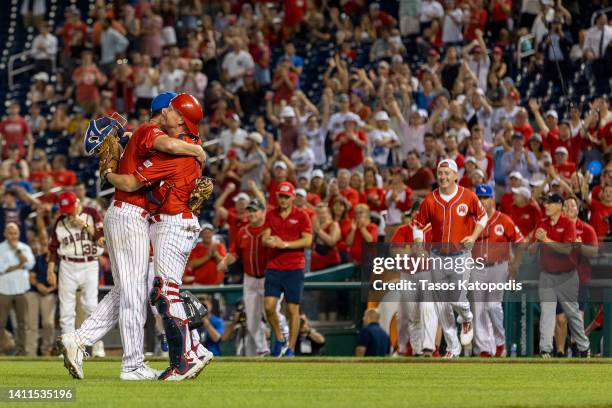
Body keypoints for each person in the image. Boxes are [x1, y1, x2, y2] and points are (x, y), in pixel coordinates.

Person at [58, 93, 206, 381]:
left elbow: (143, 145)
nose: (172, 114)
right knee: (134, 295)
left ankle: (77, 339)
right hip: (129, 215)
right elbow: (159, 150)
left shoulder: (141, 133)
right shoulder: (151, 131)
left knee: (126, 290)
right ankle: (132, 365)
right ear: (162, 112)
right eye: (171, 109)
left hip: (130, 216)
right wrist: (198, 152)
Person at [103, 93, 213, 380]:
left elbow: (130, 181)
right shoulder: (189, 146)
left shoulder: (174, 154)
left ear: (182, 120)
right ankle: (196, 348)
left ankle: (186, 359)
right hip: (178, 222)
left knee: (166, 292)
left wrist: (108, 174)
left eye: (174, 110)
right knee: (166, 290)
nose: (168, 111)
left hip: (173, 223)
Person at [412, 159, 488, 358]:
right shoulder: (430, 199)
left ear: (455, 175)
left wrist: (472, 236)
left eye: (447, 173)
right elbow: (417, 224)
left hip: (460, 255)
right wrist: (419, 245)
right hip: (438, 256)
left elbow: (483, 217)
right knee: (442, 304)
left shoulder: (468, 196)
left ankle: (467, 317)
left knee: (456, 298)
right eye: (440, 173)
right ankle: (452, 347)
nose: (443, 177)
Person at [219, 198, 288, 356]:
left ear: (263, 212)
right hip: (249, 279)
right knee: (252, 319)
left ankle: (284, 340)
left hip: (269, 277)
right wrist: (224, 261)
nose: (251, 213)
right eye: (249, 210)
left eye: (255, 210)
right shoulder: (243, 231)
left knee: (272, 312)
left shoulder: (271, 227)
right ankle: (263, 350)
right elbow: (235, 252)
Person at [529, 193, 590, 358]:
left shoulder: (568, 223)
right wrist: (537, 241)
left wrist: (546, 239)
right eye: (545, 203)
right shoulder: (541, 223)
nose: (546, 206)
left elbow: (566, 249)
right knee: (547, 312)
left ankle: (584, 347)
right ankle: (545, 349)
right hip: (547, 275)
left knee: (572, 313)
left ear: (559, 206)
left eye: (550, 203)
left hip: (567, 275)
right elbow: (531, 250)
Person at [47, 191, 105, 358]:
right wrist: (51, 269)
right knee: (66, 310)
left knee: (91, 306)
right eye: (64, 209)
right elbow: (53, 248)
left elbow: (101, 239)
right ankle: (68, 348)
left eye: (70, 207)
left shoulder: (91, 213)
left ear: (78, 203)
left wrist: (83, 224)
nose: (67, 212)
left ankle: (97, 346)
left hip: (89, 264)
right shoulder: (60, 220)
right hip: (67, 264)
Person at [471, 184, 525, 357]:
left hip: (498, 267)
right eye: (479, 198)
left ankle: (500, 342)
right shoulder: (470, 221)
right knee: (478, 308)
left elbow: (520, 242)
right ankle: (485, 348)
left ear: (492, 199)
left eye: (485, 198)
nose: (482, 201)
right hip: (477, 267)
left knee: (493, 306)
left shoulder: (503, 219)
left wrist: (515, 264)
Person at [262, 182, 313, 357]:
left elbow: (307, 241)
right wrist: (269, 241)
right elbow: (265, 238)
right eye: (281, 196)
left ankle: (291, 347)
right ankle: (279, 337)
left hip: (294, 267)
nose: (283, 199)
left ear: (292, 197)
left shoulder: (302, 216)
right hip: (274, 266)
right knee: (269, 307)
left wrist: (284, 244)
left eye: (286, 196)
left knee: (293, 309)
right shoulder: (270, 214)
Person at [391, 200, 437, 356]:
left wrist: (409, 249)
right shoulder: (403, 230)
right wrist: (413, 250)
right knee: (410, 314)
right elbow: (397, 253)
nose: (418, 215)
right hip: (408, 274)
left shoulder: (435, 230)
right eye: (416, 211)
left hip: (427, 274)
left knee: (427, 309)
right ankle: (414, 349)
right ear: (411, 214)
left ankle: (428, 348)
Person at [554, 197, 598, 357]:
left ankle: (578, 348)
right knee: (560, 318)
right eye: (566, 205)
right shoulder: (557, 228)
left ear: (578, 209)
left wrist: (580, 247)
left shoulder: (586, 229)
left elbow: (594, 252)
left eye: (572, 205)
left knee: (577, 317)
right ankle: (559, 351)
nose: (569, 207)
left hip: (580, 278)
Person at [0, 223, 36, 355]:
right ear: (5, 234)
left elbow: (30, 264)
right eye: (10, 233)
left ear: (18, 234)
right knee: (1, 323)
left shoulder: (24, 248)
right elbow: (1, 269)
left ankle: (22, 351)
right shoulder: (1, 248)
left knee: (23, 324)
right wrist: (20, 264)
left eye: (15, 233)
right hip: (4, 291)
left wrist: (17, 251)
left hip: (21, 290)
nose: (12, 236)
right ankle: (5, 349)